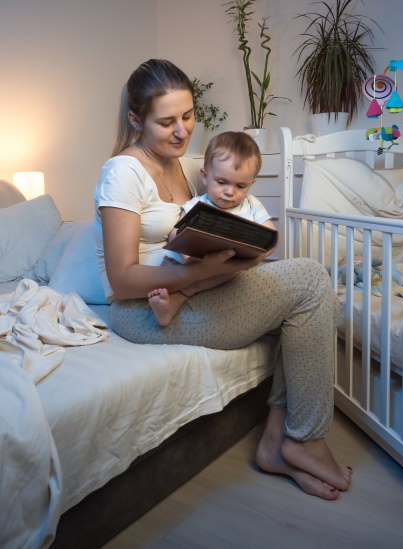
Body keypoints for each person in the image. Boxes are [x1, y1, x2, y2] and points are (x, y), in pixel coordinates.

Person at [93, 59, 352, 500]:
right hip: (142, 310)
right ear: (136, 119)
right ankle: (302, 439)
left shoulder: (180, 165)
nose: (182, 131)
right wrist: (207, 270)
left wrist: (244, 250)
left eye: (189, 116)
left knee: (304, 299)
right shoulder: (122, 171)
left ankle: (277, 442)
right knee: (309, 281)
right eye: (167, 122)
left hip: (188, 289)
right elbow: (120, 280)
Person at [147, 131, 277, 327]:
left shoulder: (252, 205)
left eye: (240, 186)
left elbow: (271, 236)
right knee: (180, 264)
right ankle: (173, 295)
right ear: (205, 176)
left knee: (236, 270)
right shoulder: (196, 205)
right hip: (199, 265)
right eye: (221, 182)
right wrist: (181, 236)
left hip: (233, 269)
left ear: (251, 183)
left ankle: (183, 294)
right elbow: (176, 232)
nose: (229, 192)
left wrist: (258, 252)